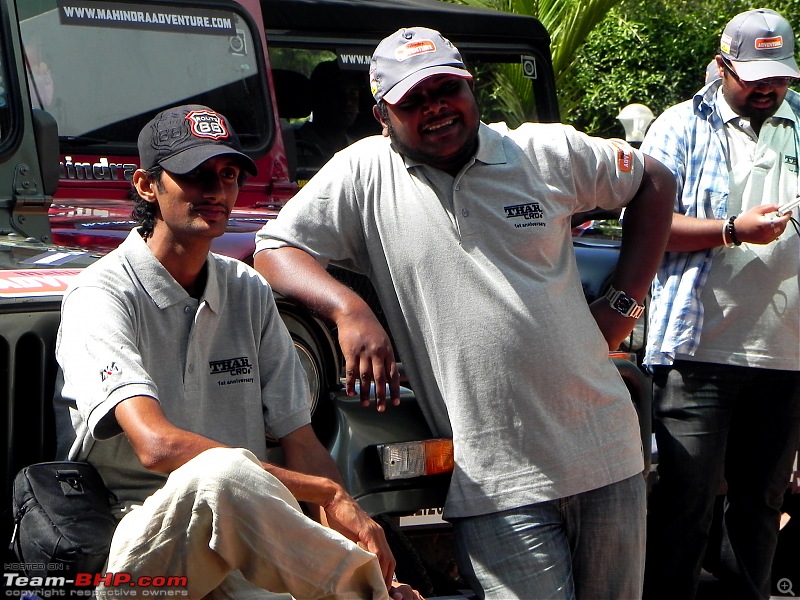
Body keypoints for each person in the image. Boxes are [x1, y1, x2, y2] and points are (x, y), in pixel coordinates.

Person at [254, 27, 676, 599]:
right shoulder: (363, 172)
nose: (435, 109)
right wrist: (348, 308)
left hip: (608, 452)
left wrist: (624, 305)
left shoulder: (543, 150)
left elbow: (653, 180)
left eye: (446, 89)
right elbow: (274, 248)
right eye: (413, 101)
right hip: (492, 478)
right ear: (383, 114)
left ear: (471, 89)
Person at [53, 104, 421, 600]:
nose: (217, 191)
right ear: (146, 186)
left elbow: (304, 445)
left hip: (249, 535)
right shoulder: (101, 294)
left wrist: (345, 517)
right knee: (222, 474)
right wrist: (324, 494)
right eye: (195, 175)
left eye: (227, 174)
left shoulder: (248, 290)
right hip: (140, 541)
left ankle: (379, 584)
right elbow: (156, 446)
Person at [640, 8, 800, 600]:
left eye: (780, 75)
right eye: (756, 74)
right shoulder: (680, 126)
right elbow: (647, 228)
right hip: (697, 351)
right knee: (684, 504)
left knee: (761, 509)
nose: (769, 88)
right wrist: (732, 229)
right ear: (723, 62)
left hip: (785, 357)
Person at [296, 60, 362, 166]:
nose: (347, 101)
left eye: (353, 94)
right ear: (317, 98)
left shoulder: (360, 149)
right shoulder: (294, 147)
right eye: (338, 93)